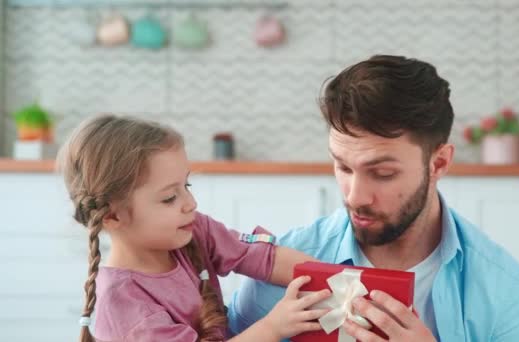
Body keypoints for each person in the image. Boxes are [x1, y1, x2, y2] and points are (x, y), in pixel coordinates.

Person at [228, 55, 519, 341]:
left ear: (438, 164)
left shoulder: (501, 287)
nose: (355, 196)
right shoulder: (279, 269)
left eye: (382, 174)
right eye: (342, 166)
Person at [57, 114, 331, 342]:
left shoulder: (192, 228)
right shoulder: (124, 304)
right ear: (112, 216)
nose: (191, 203)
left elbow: (259, 257)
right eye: (169, 198)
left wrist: (340, 284)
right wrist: (273, 327)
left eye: (186, 186)